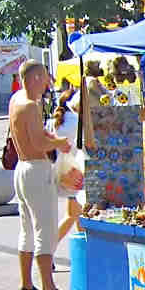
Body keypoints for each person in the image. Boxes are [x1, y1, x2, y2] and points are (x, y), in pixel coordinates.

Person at [9, 61, 79, 290]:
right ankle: (49, 289)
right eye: (45, 77)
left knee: (27, 229)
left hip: (21, 168)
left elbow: (37, 134)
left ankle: (27, 286)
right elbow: (39, 143)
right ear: (36, 78)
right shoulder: (29, 105)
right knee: (44, 230)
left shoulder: (17, 99)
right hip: (36, 169)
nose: (49, 82)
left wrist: (55, 139)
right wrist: (59, 144)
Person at [50, 81, 84, 249]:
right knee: (73, 215)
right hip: (77, 171)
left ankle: (85, 252)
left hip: (63, 171)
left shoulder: (57, 121)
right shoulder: (76, 120)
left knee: (76, 215)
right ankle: (49, 248)